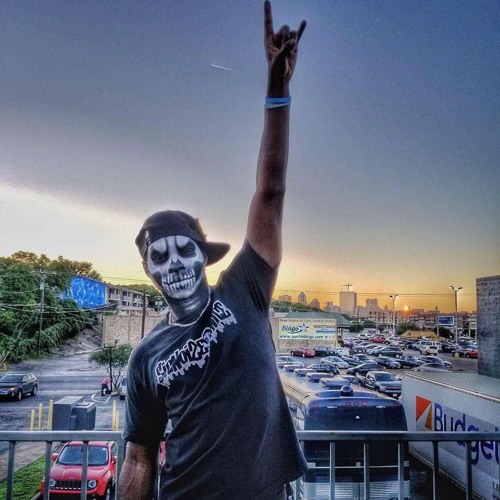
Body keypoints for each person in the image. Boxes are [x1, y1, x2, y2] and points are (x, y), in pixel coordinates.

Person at [119, 2, 307, 498]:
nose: (174, 263)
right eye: (160, 256)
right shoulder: (145, 357)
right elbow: (138, 458)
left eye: (184, 250)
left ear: (204, 256)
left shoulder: (245, 288)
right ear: (148, 270)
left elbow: (270, 189)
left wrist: (277, 90)